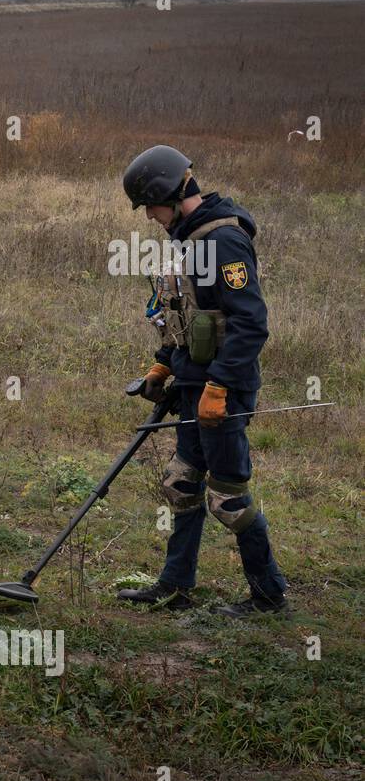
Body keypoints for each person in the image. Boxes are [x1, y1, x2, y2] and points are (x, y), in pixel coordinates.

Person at [116, 145, 288, 618]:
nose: (149, 216)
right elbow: (190, 318)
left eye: (150, 205)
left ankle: (269, 596)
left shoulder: (224, 241)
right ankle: (175, 585)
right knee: (181, 484)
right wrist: (163, 365)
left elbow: (250, 323)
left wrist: (219, 387)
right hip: (192, 383)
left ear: (171, 195)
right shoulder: (188, 240)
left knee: (228, 499)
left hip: (222, 391)